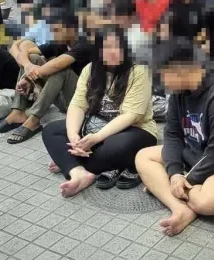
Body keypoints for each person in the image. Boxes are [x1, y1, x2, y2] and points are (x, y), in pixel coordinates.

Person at [135, 38, 214, 237]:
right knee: (143, 156)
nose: (161, 82)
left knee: (209, 201)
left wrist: (186, 179)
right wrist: (175, 174)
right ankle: (181, 208)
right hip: (195, 153)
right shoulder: (179, 92)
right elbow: (172, 135)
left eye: (162, 75)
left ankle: (171, 190)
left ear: (179, 69)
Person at [43, 26, 157, 197]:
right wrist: (73, 137)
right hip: (96, 126)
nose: (113, 52)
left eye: (117, 47)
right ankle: (79, 173)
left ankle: (69, 162)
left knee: (115, 146)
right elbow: (78, 105)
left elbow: (131, 116)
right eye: (106, 47)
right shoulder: (90, 69)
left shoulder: (138, 73)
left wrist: (96, 138)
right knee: (51, 131)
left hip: (135, 131)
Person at [0, 13, 94, 144]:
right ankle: (17, 112)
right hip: (62, 97)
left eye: (57, 30)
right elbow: (23, 54)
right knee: (32, 59)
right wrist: (27, 67)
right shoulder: (60, 42)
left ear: (71, 29)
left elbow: (55, 66)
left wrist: (28, 76)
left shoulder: (84, 45)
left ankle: (34, 119)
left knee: (62, 70)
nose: (53, 34)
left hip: (81, 103)